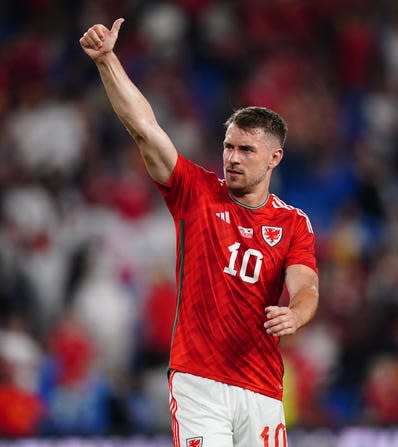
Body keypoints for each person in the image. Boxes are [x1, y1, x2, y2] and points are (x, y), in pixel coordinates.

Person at [80, 19, 319, 447]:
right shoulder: (196, 193)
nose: (233, 157)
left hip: (261, 386)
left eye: (246, 150)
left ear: (275, 158)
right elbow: (145, 128)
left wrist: (296, 314)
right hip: (199, 381)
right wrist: (107, 61)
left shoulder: (293, 223)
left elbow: (306, 285)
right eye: (228, 146)